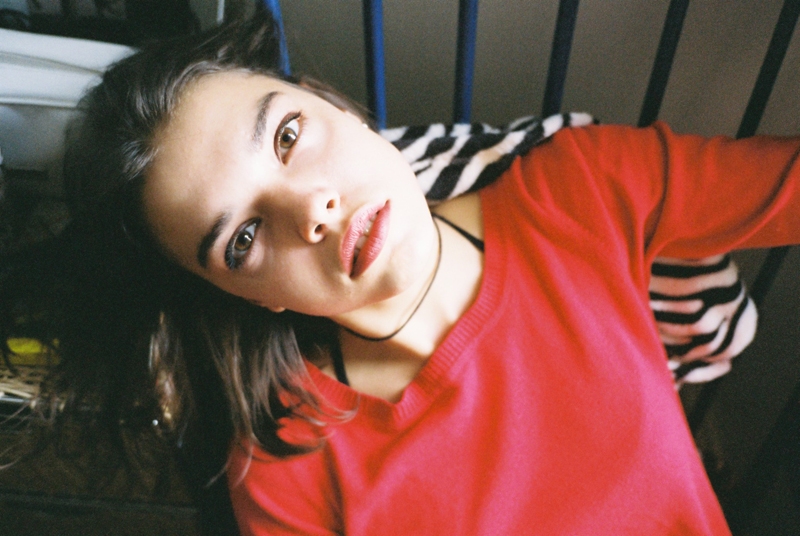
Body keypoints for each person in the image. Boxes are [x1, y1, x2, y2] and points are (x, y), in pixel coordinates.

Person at [3, 11, 799, 536]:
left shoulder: (584, 186)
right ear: (242, 294)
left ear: (336, 105)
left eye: (288, 136)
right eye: (242, 238)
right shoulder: (285, 468)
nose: (311, 209)